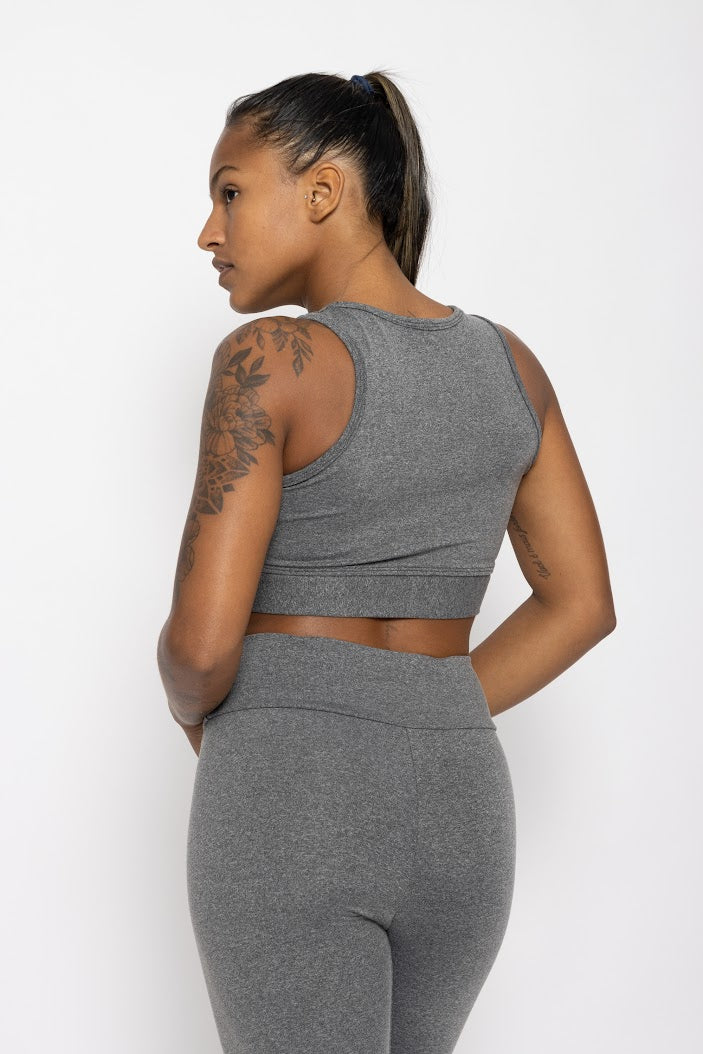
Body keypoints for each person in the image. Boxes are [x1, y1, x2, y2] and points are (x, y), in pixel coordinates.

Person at [157, 69, 616, 1054]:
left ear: (322, 191)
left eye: (230, 192)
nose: (208, 231)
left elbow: (199, 648)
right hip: (463, 807)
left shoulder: (268, 361)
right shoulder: (510, 366)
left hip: (293, 790)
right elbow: (580, 602)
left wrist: (215, 717)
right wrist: (420, 707)